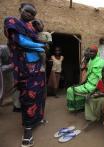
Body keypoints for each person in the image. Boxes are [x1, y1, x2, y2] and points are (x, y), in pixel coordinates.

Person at [4, 3, 46, 147]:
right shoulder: (11, 22)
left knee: (40, 93)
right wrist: (41, 46)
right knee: (28, 97)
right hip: (25, 68)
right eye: (28, 12)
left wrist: (40, 38)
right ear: (20, 10)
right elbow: (21, 41)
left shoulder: (30, 27)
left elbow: (38, 36)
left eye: (33, 14)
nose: (31, 16)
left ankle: (39, 118)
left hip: (38, 68)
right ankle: (27, 130)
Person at [66, 45, 104, 111]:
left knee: (69, 90)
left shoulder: (101, 62)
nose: (91, 53)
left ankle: (74, 108)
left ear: (96, 53)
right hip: (87, 84)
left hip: (93, 87)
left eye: (93, 52)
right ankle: (79, 106)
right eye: (90, 51)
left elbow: (101, 79)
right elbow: (88, 75)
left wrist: (93, 91)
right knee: (71, 88)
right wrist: (81, 84)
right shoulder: (90, 61)